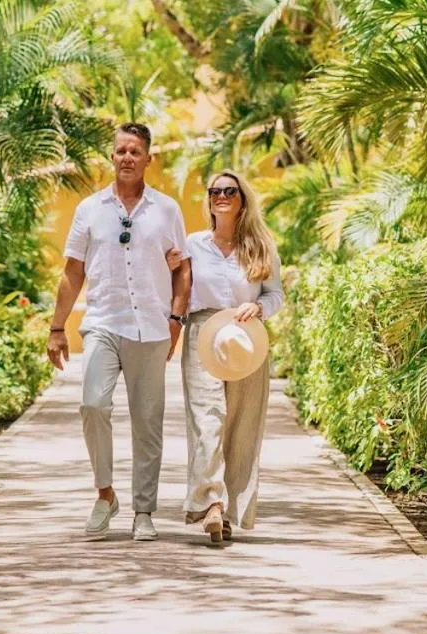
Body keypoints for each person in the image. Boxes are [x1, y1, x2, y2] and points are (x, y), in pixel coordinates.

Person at [46, 122, 191, 542]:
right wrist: (57, 327)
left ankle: (143, 510)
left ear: (149, 159)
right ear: (112, 157)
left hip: (151, 327)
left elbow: (183, 270)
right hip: (103, 324)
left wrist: (176, 319)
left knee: (148, 423)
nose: (127, 157)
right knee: (93, 405)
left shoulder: (167, 211)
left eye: (135, 151)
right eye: (121, 151)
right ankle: (105, 494)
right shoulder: (90, 209)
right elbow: (72, 272)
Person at [171, 170, 283, 544]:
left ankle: (231, 510)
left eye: (229, 191)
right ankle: (210, 505)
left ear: (241, 199)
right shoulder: (193, 244)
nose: (221, 196)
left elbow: (275, 295)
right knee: (208, 420)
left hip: (246, 338)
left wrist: (258, 307)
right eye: (215, 191)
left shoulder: (261, 245)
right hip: (203, 334)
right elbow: (177, 289)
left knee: (241, 426)